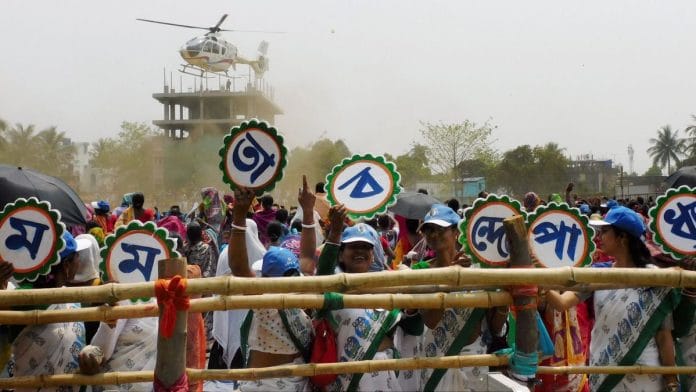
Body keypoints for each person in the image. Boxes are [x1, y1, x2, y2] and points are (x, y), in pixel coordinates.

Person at [547, 206, 680, 392]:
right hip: (604, 371)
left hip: (645, 376)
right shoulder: (598, 274)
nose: (599, 236)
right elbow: (561, 304)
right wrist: (539, 281)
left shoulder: (655, 279)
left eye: (605, 231)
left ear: (622, 237)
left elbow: (663, 335)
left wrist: (671, 379)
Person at [228, 176, 317, 391]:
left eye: (292, 276)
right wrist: (239, 215)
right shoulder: (266, 302)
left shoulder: (290, 293)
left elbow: (306, 258)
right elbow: (239, 268)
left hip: (293, 380)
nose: (291, 282)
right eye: (286, 277)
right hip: (266, 385)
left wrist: (307, 211)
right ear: (267, 281)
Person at [317, 205, 418, 392]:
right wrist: (336, 232)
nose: (360, 252)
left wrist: (412, 310)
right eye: (354, 247)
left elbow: (414, 328)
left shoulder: (389, 289)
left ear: (373, 255)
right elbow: (322, 274)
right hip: (346, 378)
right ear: (341, 254)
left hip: (384, 377)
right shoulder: (333, 288)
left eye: (366, 247)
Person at [416, 204, 506, 391]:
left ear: (456, 231)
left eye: (441, 229)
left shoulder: (477, 270)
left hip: (473, 358)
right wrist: (451, 279)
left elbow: (495, 327)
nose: (434, 234)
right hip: (437, 356)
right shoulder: (421, 271)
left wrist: (504, 297)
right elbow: (431, 321)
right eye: (429, 230)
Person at [1, 231, 88, 392]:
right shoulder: (25, 298)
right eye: (77, 256)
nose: (79, 260)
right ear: (66, 265)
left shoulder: (70, 296)